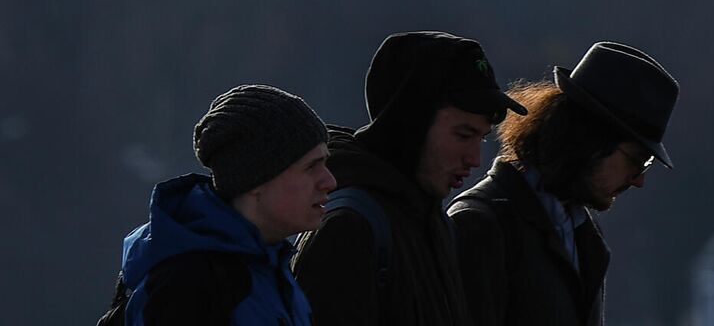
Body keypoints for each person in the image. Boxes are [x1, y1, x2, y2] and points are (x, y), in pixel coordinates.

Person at [292, 31, 527, 326]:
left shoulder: (433, 222)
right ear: (410, 124)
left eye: (481, 138)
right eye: (463, 135)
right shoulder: (348, 229)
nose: (475, 159)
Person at [448, 41, 680, 326]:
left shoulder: (581, 231)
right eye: (636, 160)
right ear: (588, 139)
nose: (639, 180)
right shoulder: (481, 225)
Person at [112, 84, 336, 325]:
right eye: (310, 167)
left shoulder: (267, 269)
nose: (330, 182)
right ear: (256, 179)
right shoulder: (189, 287)